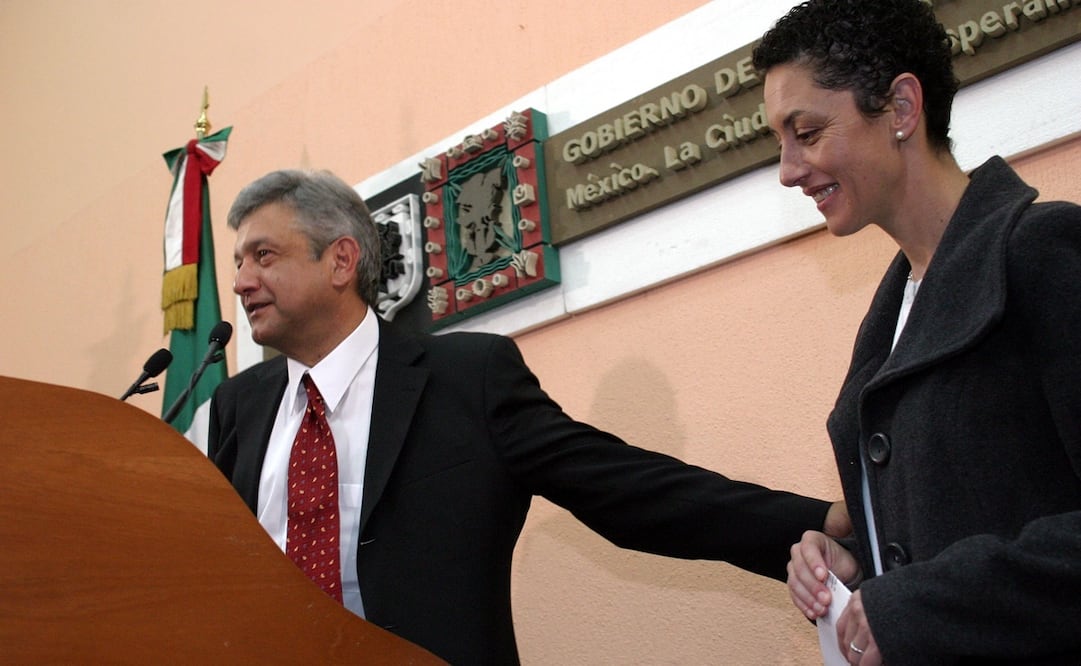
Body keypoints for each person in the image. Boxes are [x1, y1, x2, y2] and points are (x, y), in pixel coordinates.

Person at [207, 168, 847, 665]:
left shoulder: (466, 379)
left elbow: (623, 486)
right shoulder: (240, 407)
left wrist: (815, 524)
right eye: (238, 261)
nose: (241, 281)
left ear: (341, 261)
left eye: (263, 256)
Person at [752, 1, 1081, 664]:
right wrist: (856, 568)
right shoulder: (892, 315)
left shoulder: (1039, 251)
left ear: (900, 108)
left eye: (806, 131)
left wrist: (914, 603)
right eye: (779, 141)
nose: (787, 169)